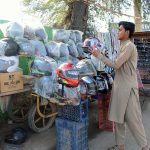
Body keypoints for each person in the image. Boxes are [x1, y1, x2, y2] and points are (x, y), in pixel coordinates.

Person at [91, 21, 149, 150]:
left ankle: (145, 147)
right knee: (118, 120)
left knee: (134, 121)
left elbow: (116, 65)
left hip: (128, 90)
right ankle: (120, 146)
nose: (118, 32)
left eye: (120, 30)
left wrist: (99, 55)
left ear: (127, 32)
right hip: (119, 88)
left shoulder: (129, 46)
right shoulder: (123, 45)